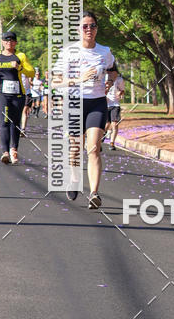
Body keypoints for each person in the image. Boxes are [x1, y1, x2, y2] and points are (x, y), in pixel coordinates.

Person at [53, 11, 118, 208]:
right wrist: (79, 79)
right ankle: (74, 179)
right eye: (84, 26)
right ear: (78, 30)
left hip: (97, 102)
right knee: (74, 150)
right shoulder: (68, 52)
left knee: (93, 148)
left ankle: (94, 194)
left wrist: (110, 82)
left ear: (97, 29)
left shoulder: (104, 51)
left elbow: (114, 71)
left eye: (92, 26)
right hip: (74, 103)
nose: (89, 29)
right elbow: (56, 82)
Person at [0, 31, 35, 164]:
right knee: (4, 121)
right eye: (6, 40)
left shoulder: (20, 56)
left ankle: (14, 150)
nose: (9, 42)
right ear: (2, 42)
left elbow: (32, 72)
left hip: (18, 94)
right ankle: (5, 152)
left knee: (15, 122)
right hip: (1, 93)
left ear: (16, 42)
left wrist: (19, 68)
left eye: (12, 40)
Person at [105, 69, 125, 150]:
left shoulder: (119, 80)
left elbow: (122, 90)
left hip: (115, 105)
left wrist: (120, 94)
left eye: (114, 73)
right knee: (106, 125)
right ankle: (103, 135)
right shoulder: (104, 78)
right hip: (105, 105)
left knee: (114, 124)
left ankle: (112, 143)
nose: (112, 75)